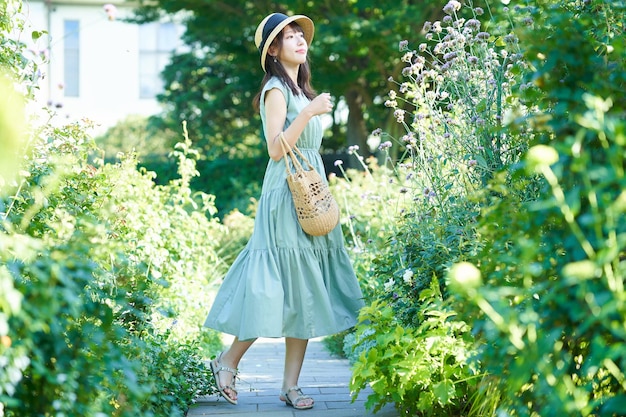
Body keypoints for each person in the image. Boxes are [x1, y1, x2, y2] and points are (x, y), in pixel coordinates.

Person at [204, 12, 364, 410]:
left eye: (299, 34)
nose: (298, 40)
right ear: (273, 50)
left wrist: (310, 110)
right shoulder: (277, 89)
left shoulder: (303, 91)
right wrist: (309, 114)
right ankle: (227, 360)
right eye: (287, 37)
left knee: (305, 288)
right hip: (283, 195)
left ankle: (290, 386)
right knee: (273, 285)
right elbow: (276, 148)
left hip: (309, 193)